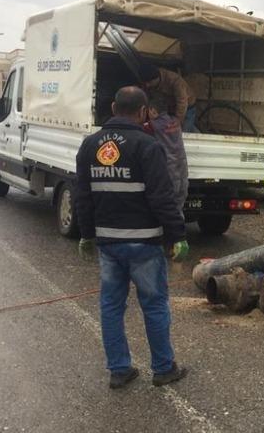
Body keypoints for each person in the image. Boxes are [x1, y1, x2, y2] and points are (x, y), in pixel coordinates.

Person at [74, 86, 190, 388]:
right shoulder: (147, 146)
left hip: (108, 244)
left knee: (111, 306)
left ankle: (119, 370)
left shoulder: (89, 145)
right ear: (142, 112)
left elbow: (82, 197)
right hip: (145, 244)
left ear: (114, 108)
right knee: (154, 305)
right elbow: (162, 197)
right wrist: (177, 235)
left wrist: (86, 235)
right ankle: (164, 369)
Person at [144, 98, 189, 218]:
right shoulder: (175, 122)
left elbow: (137, 129)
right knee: (178, 205)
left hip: (169, 170)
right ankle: (179, 231)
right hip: (182, 169)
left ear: (152, 110)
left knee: (167, 205)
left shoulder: (152, 125)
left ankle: (169, 232)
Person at [138, 64, 198, 133]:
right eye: (145, 83)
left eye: (149, 82)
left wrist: (178, 120)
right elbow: (147, 97)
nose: (147, 85)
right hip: (169, 107)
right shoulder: (147, 83)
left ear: (157, 78)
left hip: (187, 107)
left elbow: (182, 102)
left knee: (183, 132)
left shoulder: (175, 80)